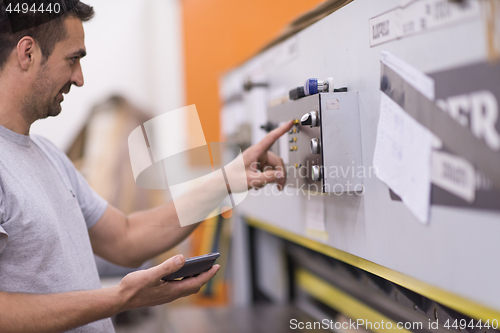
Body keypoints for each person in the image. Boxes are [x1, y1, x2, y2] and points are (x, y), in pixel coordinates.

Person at [0, 1, 293, 332]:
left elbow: (126, 236)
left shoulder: (48, 155)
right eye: (73, 59)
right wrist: (121, 297)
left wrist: (226, 181)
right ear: (27, 54)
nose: (79, 78)